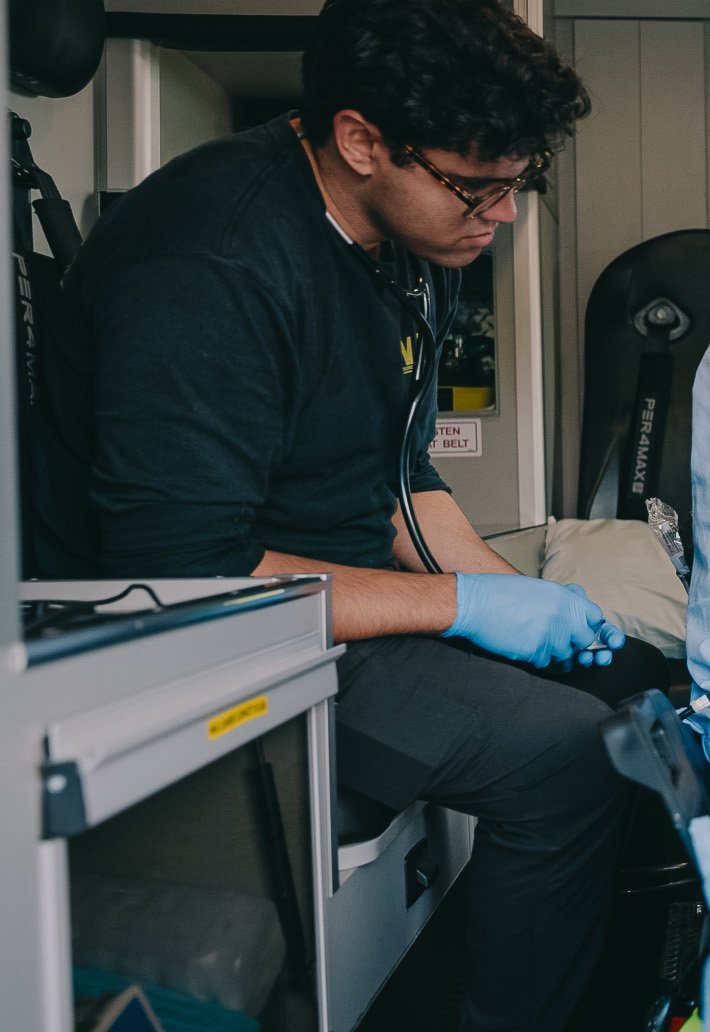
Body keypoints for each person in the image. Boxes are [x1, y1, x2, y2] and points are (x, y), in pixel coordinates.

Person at [30, 1, 669, 1027]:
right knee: (568, 757)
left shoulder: (402, 243)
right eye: (478, 186)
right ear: (362, 140)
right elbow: (191, 577)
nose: (500, 216)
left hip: (329, 602)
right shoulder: (211, 262)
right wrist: (458, 607)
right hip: (222, 647)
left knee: (638, 682)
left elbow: (398, 468)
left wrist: (513, 601)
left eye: (518, 184)